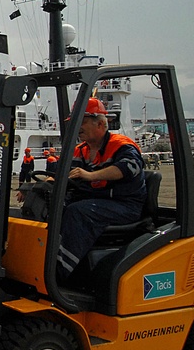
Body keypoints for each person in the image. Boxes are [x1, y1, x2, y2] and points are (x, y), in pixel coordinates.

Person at [57, 97, 146, 282]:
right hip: (95, 201)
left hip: (124, 205)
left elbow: (128, 168)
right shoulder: (80, 150)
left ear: (100, 124)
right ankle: (48, 257)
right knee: (53, 205)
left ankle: (60, 272)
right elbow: (62, 172)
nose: (77, 127)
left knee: (78, 212)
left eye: (82, 122)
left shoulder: (121, 146)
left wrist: (90, 175)